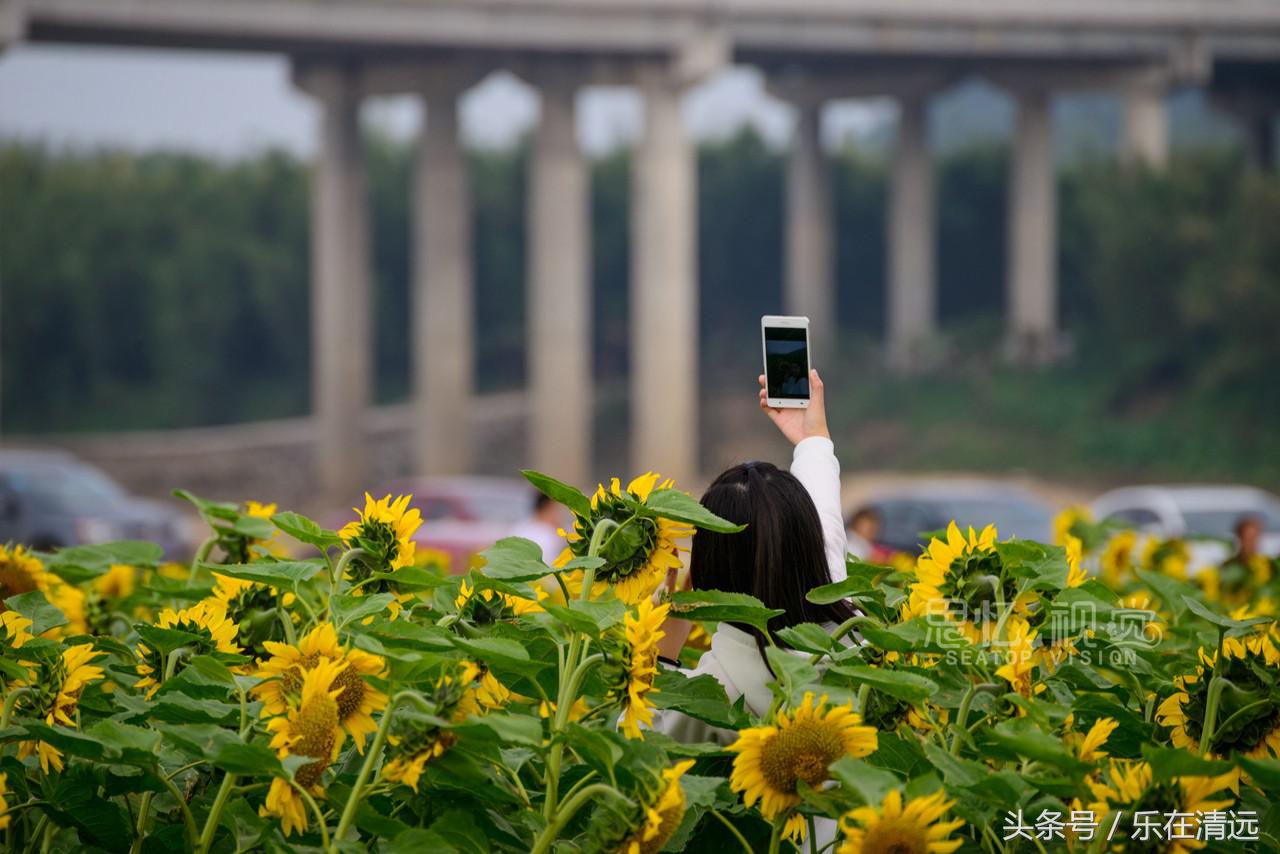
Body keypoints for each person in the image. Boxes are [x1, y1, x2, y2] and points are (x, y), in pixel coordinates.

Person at [655, 368, 854, 734]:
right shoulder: (854, 638)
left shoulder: (709, 697)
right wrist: (813, 438)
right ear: (809, 543)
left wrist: (665, 640)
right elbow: (823, 518)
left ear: (703, 571)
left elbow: (639, 740)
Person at [508, 492, 568, 565]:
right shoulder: (549, 534)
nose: (560, 516)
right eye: (557, 510)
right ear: (548, 509)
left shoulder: (520, 527)